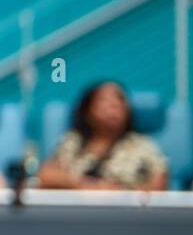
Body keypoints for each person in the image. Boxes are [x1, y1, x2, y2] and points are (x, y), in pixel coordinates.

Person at [37, 81, 169, 190]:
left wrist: (119, 194)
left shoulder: (143, 145)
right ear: (87, 111)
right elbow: (45, 176)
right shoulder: (72, 142)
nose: (114, 105)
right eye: (103, 99)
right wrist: (88, 186)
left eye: (120, 99)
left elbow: (159, 185)